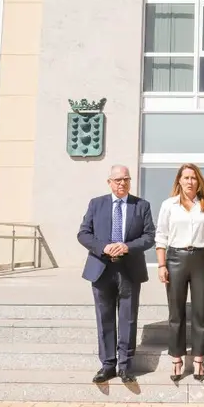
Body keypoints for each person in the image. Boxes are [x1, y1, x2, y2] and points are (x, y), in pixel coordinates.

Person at [77, 164, 156, 384]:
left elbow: (150, 236)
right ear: (109, 182)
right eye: (118, 180)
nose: (122, 183)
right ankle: (107, 364)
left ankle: (125, 365)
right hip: (101, 268)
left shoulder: (142, 205)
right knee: (105, 318)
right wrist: (103, 247)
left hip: (129, 269)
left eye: (126, 179)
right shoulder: (96, 204)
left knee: (128, 318)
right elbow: (83, 233)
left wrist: (127, 246)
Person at [154, 163, 204, 382]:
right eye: (186, 178)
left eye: (193, 178)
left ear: (199, 181)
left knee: (200, 312)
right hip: (175, 259)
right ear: (179, 181)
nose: (190, 181)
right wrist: (162, 265)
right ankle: (176, 358)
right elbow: (161, 237)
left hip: (202, 259)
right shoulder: (168, 205)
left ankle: (199, 359)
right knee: (176, 312)